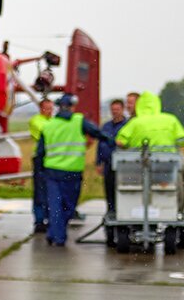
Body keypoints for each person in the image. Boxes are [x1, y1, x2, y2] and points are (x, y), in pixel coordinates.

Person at [39, 93, 112, 247]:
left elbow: (40, 152)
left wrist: (40, 171)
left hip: (52, 172)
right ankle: (59, 238)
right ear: (72, 107)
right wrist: (113, 141)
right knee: (69, 207)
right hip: (72, 173)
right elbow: (97, 133)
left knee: (55, 206)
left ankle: (54, 233)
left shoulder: (48, 125)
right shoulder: (79, 121)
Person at [117, 90, 184, 151]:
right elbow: (182, 139)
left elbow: (120, 141)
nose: (127, 106)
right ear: (157, 103)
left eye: (130, 103)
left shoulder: (135, 122)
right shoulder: (171, 119)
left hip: (139, 161)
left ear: (139, 105)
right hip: (168, 161)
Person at [98, 97, 131, 218]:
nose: (115, 112)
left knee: (122, 189)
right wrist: (99, 162)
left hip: (123, 165)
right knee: (109, 189)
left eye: (117, 109)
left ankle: (123, 214)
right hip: (108, 163)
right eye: (113, 109)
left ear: (122, 110)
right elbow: (100, 145)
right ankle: (111, 212)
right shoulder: (106, 126)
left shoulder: (128, 125)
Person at [28, 97, 54, 233]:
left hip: (53, 158)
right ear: (41, 109)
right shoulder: (36, 120)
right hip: (40, 158)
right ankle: (39, 220)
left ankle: (50, 217)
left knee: (51, 189)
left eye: (51, 108)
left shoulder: (53, 121)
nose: (50, 111)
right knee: (39, 190)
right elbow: (46, 131)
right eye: (47, 108)